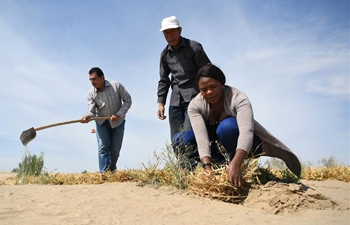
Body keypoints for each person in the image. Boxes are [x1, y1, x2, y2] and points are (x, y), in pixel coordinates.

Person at [180, 63, 301, 188]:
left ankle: (236, 168)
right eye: (203, 90)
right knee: (182, 138)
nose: (209, 92)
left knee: (227, 127)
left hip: (248, 145)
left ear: (221, 83)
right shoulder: (195, 105)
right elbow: (201, 137)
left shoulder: (238, 98)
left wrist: (236, 164)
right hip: (216, 148)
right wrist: (207, 166)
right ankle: (198, 173)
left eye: (213, 86)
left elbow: (246, 132)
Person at [156, 16, 211, 153]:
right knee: (176, 138)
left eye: (172, 31)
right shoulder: (165, 54)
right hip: (175, 100)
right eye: (166, 33)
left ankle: (191, 167)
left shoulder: (194, 47)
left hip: (194, 96)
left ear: (179, 30)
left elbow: (207, 72)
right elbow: (164, 79)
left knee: (188, 135)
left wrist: (207, 94)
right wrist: (161, 103)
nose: (170, 36)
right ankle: (182, 169)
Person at [81, 67, 132, 173]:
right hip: (101, 123)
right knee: (103, 147)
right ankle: (104, 174)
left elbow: (128, 100)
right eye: (90, 80)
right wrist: (88, 117)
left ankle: (112, 170)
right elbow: (91, 111)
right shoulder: (91, 94)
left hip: (118, 123)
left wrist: (119, 114)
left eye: (94, 79)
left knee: (115, 150)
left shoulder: (116, 86)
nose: (92, 82)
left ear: (102, 77)